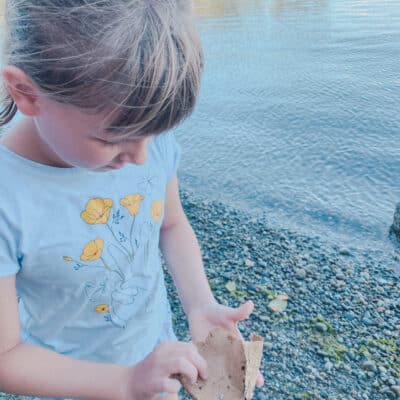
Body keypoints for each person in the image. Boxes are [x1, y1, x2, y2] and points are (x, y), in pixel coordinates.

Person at [0, 1, 264, 399]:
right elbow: (6, 358)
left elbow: (171, 224)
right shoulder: (8, 199)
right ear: (26, 92)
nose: (141, 158)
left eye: (152, 135)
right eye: (111, 140)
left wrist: (198, 303)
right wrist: (124, 383)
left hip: (153, 367)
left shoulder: (142, 136)